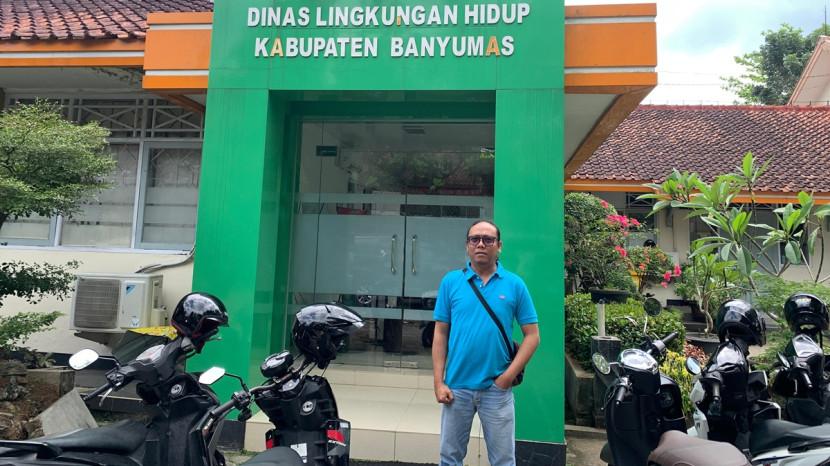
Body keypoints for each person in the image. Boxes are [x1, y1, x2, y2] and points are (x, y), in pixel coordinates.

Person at [432, 220, 540, 466]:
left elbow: (533, 336)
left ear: (499, 246)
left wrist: (507, 378)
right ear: (467, 245)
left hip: (496, 390)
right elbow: (440, 334)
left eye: (488, 239)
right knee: (449, 459)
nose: (481, 244)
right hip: (456, 388)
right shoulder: (451, 282)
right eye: (475, 239)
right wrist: (439, 382)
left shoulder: (514, 284)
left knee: (503, 461)